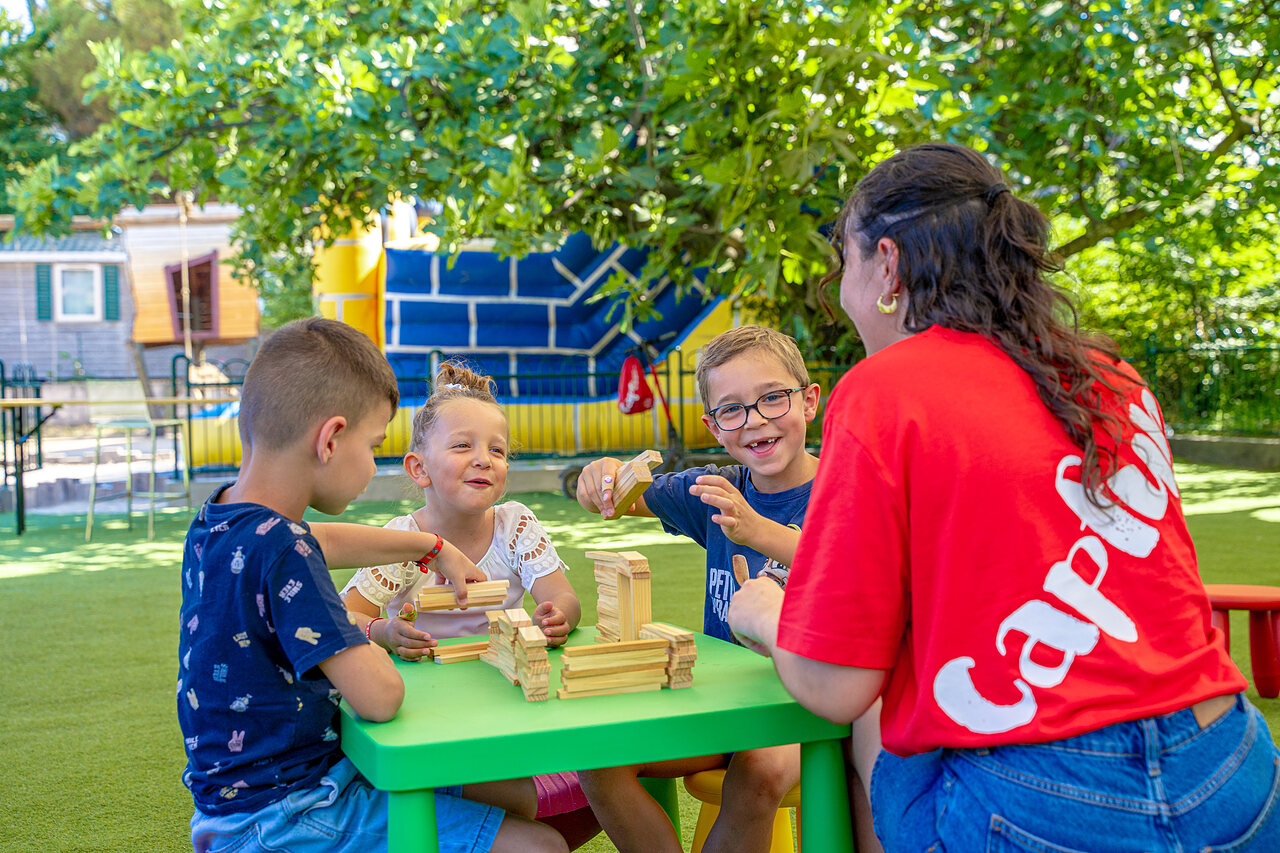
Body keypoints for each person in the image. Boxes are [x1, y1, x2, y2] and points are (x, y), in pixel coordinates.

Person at [727, 142, 1280, 852]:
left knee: (885, 747)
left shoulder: (884, 389)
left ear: (889, 266)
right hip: (1233, 769)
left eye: (847, 267)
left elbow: (836, 684)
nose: (845, 295)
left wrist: (769, 616)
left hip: (1042, 797)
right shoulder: (1110, 374)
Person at [178, 317, 568, 853]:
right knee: (541, 846)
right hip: (291, 810)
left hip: (236, 804)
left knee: (511, 794)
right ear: (332, 440)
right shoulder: (287, 554)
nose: (372, 464)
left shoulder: (220, 522)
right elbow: (381, 699)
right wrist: (382, 637)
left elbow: (320, 539)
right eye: (373, 444)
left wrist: (430, 547)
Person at [573, 325, 867, 853]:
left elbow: (851, 569)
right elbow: (622, 496)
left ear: (809, 401)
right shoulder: (712, 490)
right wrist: (601, 476)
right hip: (719, 703)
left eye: (772, 398)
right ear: (713, 426)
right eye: (732, 410)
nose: (755, 421)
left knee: (759, 769)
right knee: (600, 758)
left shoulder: (845, 489)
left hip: (807, 708)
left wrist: (758, 531)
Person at [340, 361, 597, 848]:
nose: (483, 459)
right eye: (462, 446)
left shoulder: (516, 525)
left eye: (496, 450)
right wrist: (382, 633)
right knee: (514, 797)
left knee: (601, 778)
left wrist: (557, 615)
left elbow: (561, 596)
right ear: (419, 468)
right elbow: (346, 616)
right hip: (432, 712)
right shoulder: (403, 542)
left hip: (509, 699)